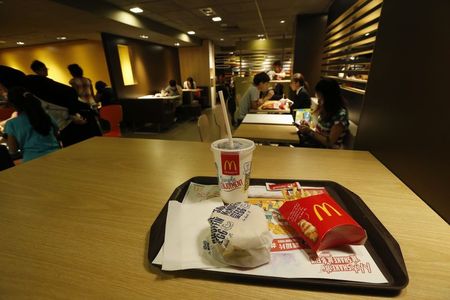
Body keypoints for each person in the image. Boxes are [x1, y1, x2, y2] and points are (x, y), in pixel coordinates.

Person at [2, 87, 60, 162]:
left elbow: (13, 150)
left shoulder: (11, 124)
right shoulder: (44, 115)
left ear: (12, 104)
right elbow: (56, 132)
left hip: (32, 162)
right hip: (57, 156)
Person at [295, 78, 349, 149]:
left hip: (327, 152)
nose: (318, 101)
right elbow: (319, 129)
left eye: (320, 98)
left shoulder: (340, 115)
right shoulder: (326, 108)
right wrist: (307, 125)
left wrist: (309, 131)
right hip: (316, 144)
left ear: (329, 97)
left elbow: (329, 142)